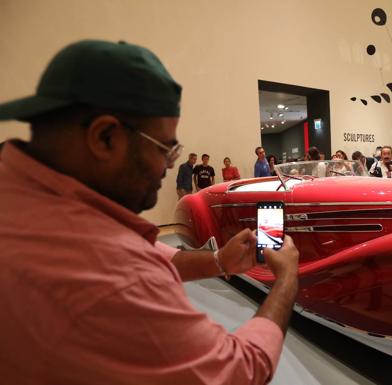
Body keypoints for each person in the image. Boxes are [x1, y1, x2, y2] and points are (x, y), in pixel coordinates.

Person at [0, 39, 299, 384]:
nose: (164, 169)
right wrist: (287, 279)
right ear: (106, 137)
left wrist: (219, 262)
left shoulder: (29, 193)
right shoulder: (113, 276)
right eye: (165, 151)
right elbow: (238, 372)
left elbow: (147, 251)